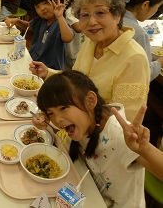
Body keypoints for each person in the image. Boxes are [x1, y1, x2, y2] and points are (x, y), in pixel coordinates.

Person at [36, 70, 163, 206]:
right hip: (90, 194)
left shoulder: (120, 135)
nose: (57, 120)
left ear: (90, 101)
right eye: (51, 113)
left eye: (62, 108)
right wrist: (44, 117)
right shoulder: (85, 122)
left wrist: (145, 149)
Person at [30, 0, 150, 121]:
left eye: (100, 13)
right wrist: (49, 73)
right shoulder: (91, 42)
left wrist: (60, 116)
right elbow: (77, 82)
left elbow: (123, 121)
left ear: (117, 15)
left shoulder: (134, 58)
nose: (92, 22)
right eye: (85, 15)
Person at [122, 0, 163, 146]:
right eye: (158, 7)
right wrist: (160, 62)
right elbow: (145, 73)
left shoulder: (119, 17)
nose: (157, 11)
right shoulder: (138, 32)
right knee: (153, 119)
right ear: (145, 5)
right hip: (127, 97)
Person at [6, 0, 73, 70]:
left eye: (45, 3)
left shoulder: (60, 23)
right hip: (34, 63)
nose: (42, 8)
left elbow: (68, 38)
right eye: (37, 6)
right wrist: (18, 21)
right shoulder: (41, 20)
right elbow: (29, 26)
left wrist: (60, 16)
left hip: (51, 70)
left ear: (55, 2)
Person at [64, 0, 94, 69]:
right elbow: (78, 28)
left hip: (82, 51)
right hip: (73, 53)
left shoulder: (85, 10)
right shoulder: (70, 11)